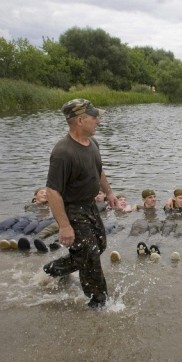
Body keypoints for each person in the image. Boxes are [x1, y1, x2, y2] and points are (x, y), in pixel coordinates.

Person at [42, 98, 119, 309]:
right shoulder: (63, 152)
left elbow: (99, 170)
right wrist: (64, 225)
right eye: (95, 118)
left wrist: (109, 192)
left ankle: (53, 270)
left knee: (98, 245)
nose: (99, 122)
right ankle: (99, 303)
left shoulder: (93, 143)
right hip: (72, 208)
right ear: (80, 120)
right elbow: (52, 191)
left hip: (90, 206)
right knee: (89, 254)